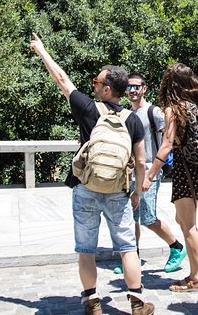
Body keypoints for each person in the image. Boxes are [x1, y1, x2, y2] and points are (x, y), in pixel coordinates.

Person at [29, 33, 154, 315]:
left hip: (85, 186)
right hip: (118, 192)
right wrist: (136, 193)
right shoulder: (132, 119)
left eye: (97, 82)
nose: (93, 86)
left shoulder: (88, 109)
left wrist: (42, 50)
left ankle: (92, 300)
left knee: (86, 247)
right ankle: (136, 301)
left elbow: (62, 79)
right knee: (126, 246)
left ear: (108, 89)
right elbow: (140, 160)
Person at [144, 63, 198, 292]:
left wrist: (150, 176)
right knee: (183, 219)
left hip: (185, 171)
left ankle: (195, 278)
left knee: (188, 225)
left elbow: (166, 146)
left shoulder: (174, 109)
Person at [111, 74, 187, 274]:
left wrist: (153, 172)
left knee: (147, 217)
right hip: (130, 174)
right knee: (130, 218)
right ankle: (132, 256)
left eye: (136, 87)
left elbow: (166, 143)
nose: (132, 91)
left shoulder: (155, 112)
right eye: (129, 87)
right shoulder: (125, 113)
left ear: (144, 88)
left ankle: (176, 247)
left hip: (149, 172)